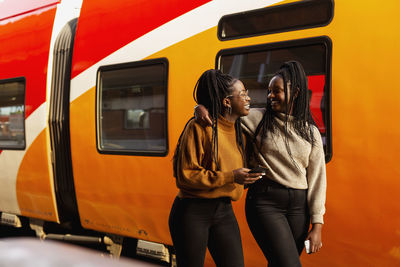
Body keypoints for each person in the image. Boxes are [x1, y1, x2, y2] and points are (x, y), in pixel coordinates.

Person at [195, 61, 327, 267]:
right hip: (266, 203)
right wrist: (200, 107)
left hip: (298, 209)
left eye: (277, 91)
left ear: (296, 92)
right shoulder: (256, 118)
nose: (270, 96)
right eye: (269, 91)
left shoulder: (311, 133)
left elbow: (318, 180)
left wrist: (317, 225)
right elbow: (221, 112)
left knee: (278, 263)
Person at [169, 69, 263, 267]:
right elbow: (186, 175)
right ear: (227, 101)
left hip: (224, 211)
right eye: (243, 94)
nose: (248, 98)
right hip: (192, 212)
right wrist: (231, 177)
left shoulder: (240, 130)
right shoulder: (198, 127)